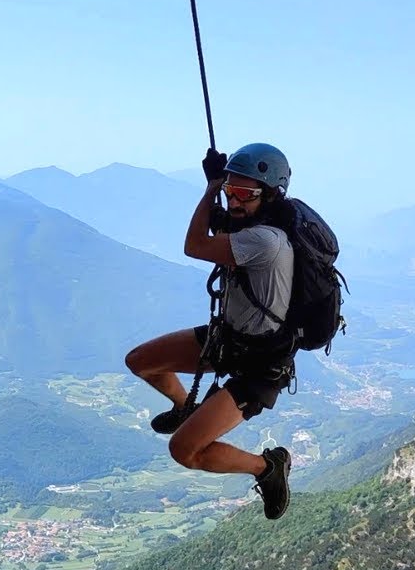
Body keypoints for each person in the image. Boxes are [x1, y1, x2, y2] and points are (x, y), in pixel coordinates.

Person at [125, 143, 298, 520]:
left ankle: (268, 467)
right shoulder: (251, 227)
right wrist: (219, 191)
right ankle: (186, 407)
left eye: (244, 194)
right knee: (140, 362)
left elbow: (194, 245)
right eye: (230, 191)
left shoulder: (265, 240)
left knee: (184, 450)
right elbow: (221, 227)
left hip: (260, 367)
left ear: (270, 194)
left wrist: (211, 189)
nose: (234, 200)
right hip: (230, 340)